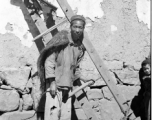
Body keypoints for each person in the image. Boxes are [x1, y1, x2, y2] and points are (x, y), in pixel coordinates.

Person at [37, 15, 94, 120]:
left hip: (67, 88)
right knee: (52, 117)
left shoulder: (79, 48)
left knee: (65, 117)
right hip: (55, 87)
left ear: (83, 29)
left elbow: (75, 68)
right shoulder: (61, 42)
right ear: (70, 27)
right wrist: (52, 82)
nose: (77, 30)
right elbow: (49, 62)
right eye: (75, 27)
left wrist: (83, 78)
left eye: (80, 27)